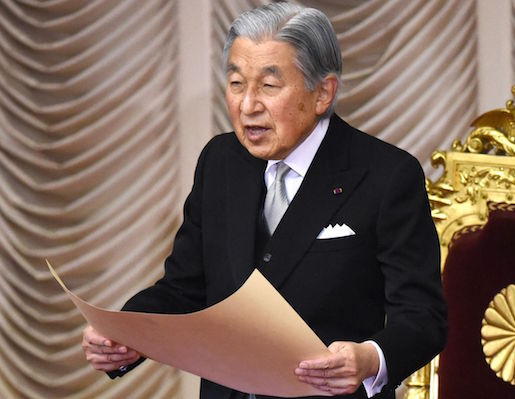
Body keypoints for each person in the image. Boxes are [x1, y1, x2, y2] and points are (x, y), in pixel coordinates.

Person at [81, 3, 446, 398]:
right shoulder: (221, 163)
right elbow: (186, 288)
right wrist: (127, 332)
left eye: (269, 86)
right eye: (237, 83)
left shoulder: (386, 175)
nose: (248, 105)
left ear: (323, 92)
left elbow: (422, 318)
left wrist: (370, 359)